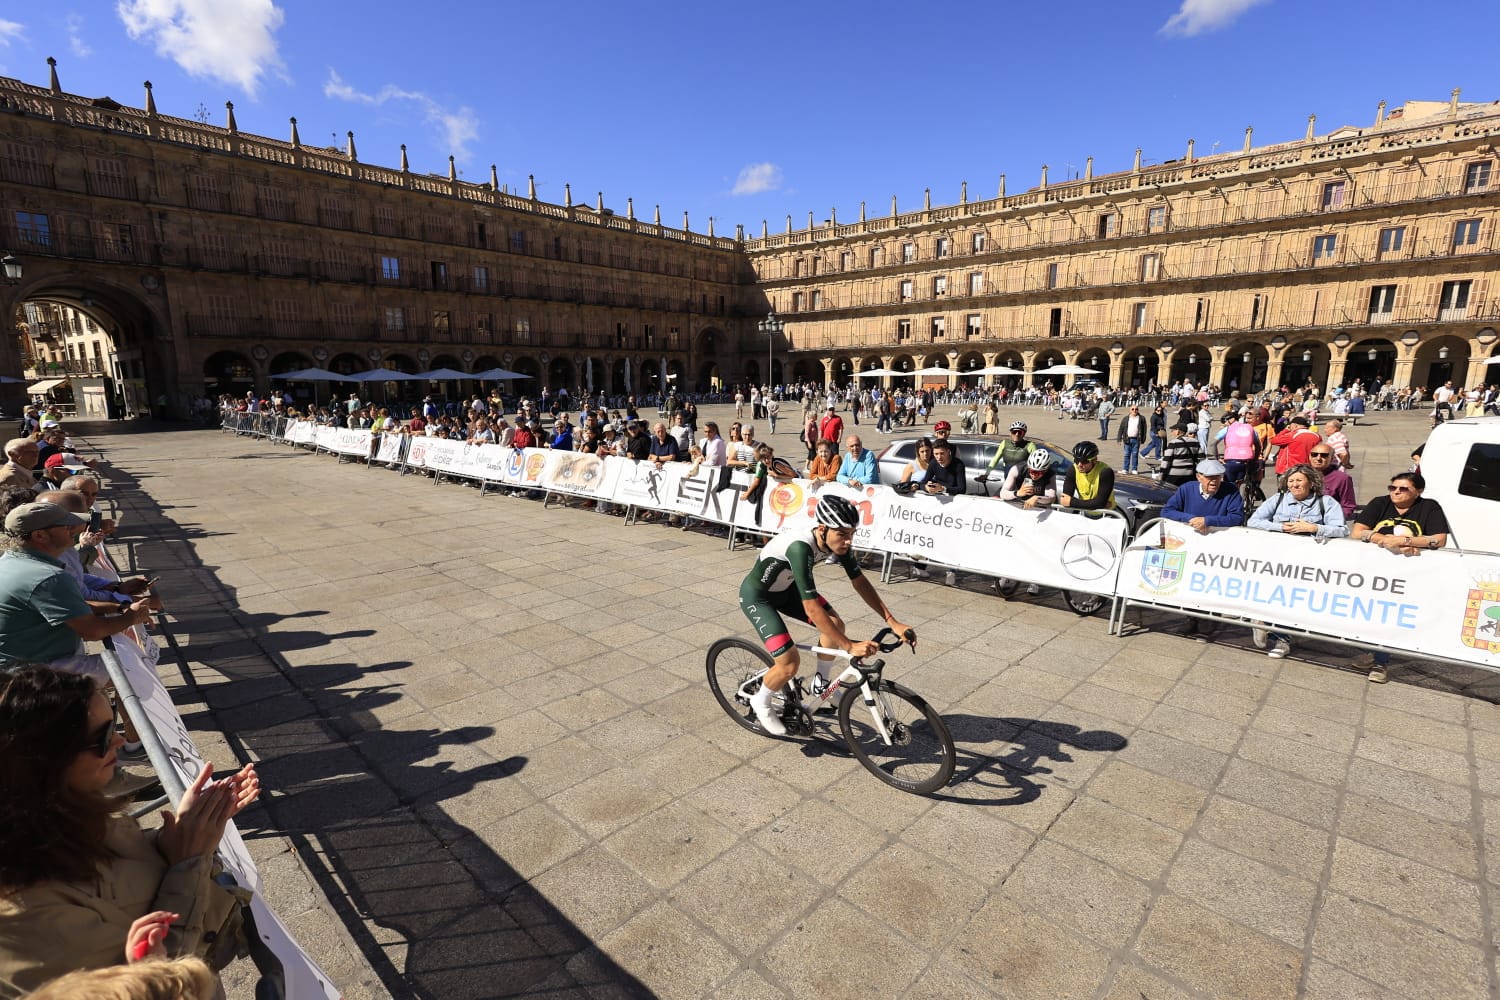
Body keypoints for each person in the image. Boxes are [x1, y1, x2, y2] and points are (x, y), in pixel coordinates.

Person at [0, 667, 261, 997]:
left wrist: (180, 832)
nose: (121, 741)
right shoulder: (26, 919)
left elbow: (117, 876)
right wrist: (191, 860)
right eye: (103, 737)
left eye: (115, 725)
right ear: (46, 759)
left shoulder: (61, 813)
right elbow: (157, 986)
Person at [737, 496, 914, 735]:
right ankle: (761, 700)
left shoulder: (837, 543)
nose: (848, 540)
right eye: (842, 534)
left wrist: (892, 621)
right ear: (822, 528)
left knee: (835, 624)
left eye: (852, 533)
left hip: (786, 591)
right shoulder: (800, 547)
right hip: (758, 598)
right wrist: (849, 646)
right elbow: (811, 608)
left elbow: (859, 581)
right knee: (789, 663)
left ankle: (821, 684)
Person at [0, 503, 154, 679]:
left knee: (126, 665)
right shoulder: (48, 577)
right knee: (134, 666)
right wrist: (131, 617)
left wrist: (120, 606)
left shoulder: (9, 561)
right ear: (40, 535)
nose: (74, 529)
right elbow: (92, 631)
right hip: (28, 673)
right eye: (66, 526)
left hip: (16, 664)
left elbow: (70, 605)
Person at [1350, 472, 1450, 683]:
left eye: (1403, 488)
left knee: (1390, 616)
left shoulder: (1429, 507)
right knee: (1371, 615)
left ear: (1418, 491)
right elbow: (1357, 531)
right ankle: (1372, 652)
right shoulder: (1380, 503)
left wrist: (1406, 541)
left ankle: (1381, 662)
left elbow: (1439, 539)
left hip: (1408, 574)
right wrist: (1383, 539)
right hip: (1375, 571)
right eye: (1392, 487)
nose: (1396, 492)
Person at [1246, 463, 1349, 658]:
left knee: (1292, 601)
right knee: (1272, 594)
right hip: (1276, 559)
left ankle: (1281, 639)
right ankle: (1261, 621)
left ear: (1311, 482)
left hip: (1307, 563)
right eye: (1291, 481)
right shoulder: (1278, 499)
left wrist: (1314, 528)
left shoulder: (1326, 502)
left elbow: (1342, 530)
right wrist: (1281, 527)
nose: (1294, 484)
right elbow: (1253, 521)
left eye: (1299, 480)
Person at [1161, 459, 1244, 534]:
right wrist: (1191, 519)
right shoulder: (1186, 488)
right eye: (1209, 477)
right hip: (1189, 535)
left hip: (1219, 537)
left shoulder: (1231, 490)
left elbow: (1237, 517)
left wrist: (1207, 521)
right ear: (1198, 477)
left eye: (1218, 476)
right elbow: (1167, 511)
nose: (1214, 480)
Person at [1058, 441, 1116, 513]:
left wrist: (1072, 502)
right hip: (1085, 513)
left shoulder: (1106, 472)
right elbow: (1065, 500)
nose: (1079, 465)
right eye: (1076, 460)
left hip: (1106, 514)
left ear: (1094, 460)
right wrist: (1093, 504)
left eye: (1084, 461)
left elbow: (1100, 503)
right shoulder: (1073, 470)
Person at [1309, 445, 1356, 518]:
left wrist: (1333, 520)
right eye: (1314, 454)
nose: (1318, 458)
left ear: (1331, 458)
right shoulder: (1301, 474)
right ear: (1310, 457)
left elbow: (1348, 506)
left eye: (1324, 455)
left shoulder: (1342, 478)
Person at [1158, 422, 1203, 488]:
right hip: (1190, 475)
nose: (1172, 432)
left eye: (1173, 430)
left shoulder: (1173, 443)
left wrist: (1161, 476)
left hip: (1174, 476)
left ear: (1178, 431)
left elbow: (1166, 461)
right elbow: (1201, 459)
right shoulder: (1195, 442)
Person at [1115, 405, 1146, 473]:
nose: (1134, 410)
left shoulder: (1141, 418)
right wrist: (1119, 439)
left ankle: (1134, 469)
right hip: (1127, 439)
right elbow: (1121, 429)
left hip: (1136, 439)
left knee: (1135, 454)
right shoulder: (1126, 418)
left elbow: (1144, 429)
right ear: (1130, 410)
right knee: (1126, 454)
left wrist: (1143, 439)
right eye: (1132, 409)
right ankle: (1125, 469)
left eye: (1136, 409)